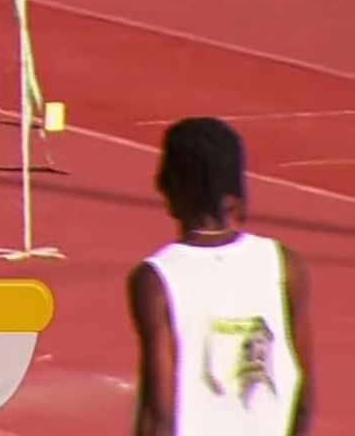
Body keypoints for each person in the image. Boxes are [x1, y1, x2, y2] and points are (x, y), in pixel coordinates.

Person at [128, 117, 315, 436]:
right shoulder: (285, 264)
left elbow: (159, 409)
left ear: (169, 183)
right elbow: (303, 390)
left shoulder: (157, 280)